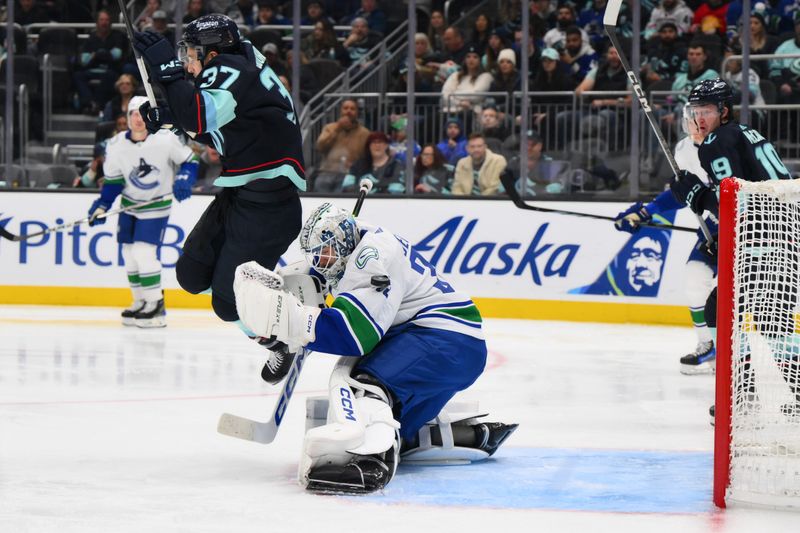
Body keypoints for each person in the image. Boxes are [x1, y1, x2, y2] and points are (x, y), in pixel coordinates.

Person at [232, 202, 518, 494]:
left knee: (363, 383)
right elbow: (324, 275)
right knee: (383, 405)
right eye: (316, 253)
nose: (321, 259)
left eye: (326, 251)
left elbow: (355, 336)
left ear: (343, 242)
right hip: (448, 342)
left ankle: (369, 458)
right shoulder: (357, 240)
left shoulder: (371, 259)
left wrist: (292, 321)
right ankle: (433, 434)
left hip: (445, 341)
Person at [133, 14, 305, 336]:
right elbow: (221, 130)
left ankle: (283, 330)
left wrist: (169, 74)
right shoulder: (242, 68)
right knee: (191, 275)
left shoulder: (233, 69)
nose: (187, 64)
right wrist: (170, 117)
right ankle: (269, 306)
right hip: (242, 198)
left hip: (269, 209)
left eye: (190, 54)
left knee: (228, 305)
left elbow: (198, 117)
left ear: (211, 54)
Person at [669, 79, 793, 404]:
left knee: (718, 309)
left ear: (724, 110)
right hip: (785, 234)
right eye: (696, 111)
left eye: (707, 111)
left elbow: (734, 201)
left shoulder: (714, 143)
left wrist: (696, 195)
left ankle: (737, 389)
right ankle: (776, 390)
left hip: (762, 238)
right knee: (773, 320)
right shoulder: (747, 132)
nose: (700, 119)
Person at [614, 106, 718, 373]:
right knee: (695, 277)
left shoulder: (726, 143)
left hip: (745, 221)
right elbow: (683, 191)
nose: (697, 123)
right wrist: (645, 212)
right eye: (692, 119)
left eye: (703, 117)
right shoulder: (684, 150)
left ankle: (743, 356)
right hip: (716, 224)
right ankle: (708, 345)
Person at [87, 96, 199, 328]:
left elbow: (190, 160)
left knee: (143, 253)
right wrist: (102, 205)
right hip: (130, 205)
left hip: (156, 205)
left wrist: (184, 178)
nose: (138, 119)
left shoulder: (165, 139)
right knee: (129, 255)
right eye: (134, 114)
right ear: (127, 117)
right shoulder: (116, 145)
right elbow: (114, 182)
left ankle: (156, 304)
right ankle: (140, 301)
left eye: (143, 113)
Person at [314, 98, 371, 192]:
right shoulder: (329, 127)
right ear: (341, 110)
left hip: (349, 176)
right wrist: (337, 128)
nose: (348, 111)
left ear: (357, 112)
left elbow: (366, 156)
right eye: (346, 108)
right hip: (326, 173)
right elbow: (320, 147)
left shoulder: (364, 133)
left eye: (352, 109)